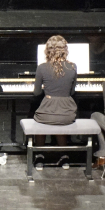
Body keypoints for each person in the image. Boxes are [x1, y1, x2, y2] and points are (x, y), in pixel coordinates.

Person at [32, 35, 78, 170]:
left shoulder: (42, 68)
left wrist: (47, 90)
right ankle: (64, 157)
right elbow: (72, 92)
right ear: (65, 50)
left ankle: (39, 156)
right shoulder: (73, 66)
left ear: (48, 50)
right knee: (59, 118)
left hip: (48, 110)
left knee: (40, 119)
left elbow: (36, 93)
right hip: (67, 113)